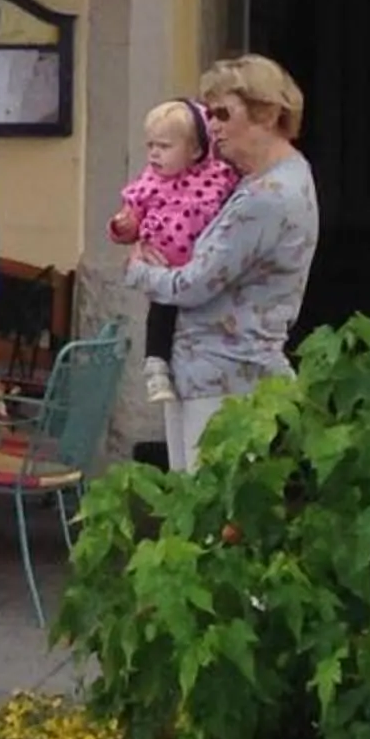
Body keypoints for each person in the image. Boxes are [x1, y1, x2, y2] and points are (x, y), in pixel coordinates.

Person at [124, 55, 318, 474]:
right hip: (213, 371)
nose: (211, 125)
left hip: (226, 378)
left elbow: (195, 283)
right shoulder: (276, 176)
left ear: (266, 113)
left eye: (223, 113)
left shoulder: (266, 195)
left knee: (208, 516)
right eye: (209, 112)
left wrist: (140, 269)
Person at [105, 98, 238, 405]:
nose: (153, 153)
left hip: (201, 268)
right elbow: (132, 218)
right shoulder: (149, 183)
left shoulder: (217, 177)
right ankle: (156, 365)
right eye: (150, 145)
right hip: (163, 266)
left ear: (195, 150)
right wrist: (123, 226)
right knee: (161, 312)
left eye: (164, 146)